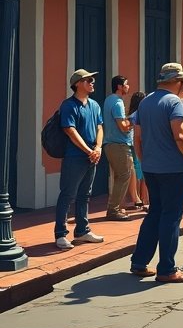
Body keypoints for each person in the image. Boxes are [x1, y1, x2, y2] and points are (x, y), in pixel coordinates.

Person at [129, 63, 183, 282]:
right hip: (174, 168)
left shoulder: (145, 103)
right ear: (176, 81)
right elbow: (181, 137)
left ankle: (139, 261)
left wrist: (145, 161)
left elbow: (139, 138)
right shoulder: (174, 102)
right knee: (171, 217)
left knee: (155, 213)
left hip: (152, 168)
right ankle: (167, 268)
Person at [54, 69, 105, 250]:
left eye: (93, 80)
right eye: (89, 80)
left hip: (92, 156)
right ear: (77, 84)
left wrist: (98, 148)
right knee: (68, 194)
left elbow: (100, 127)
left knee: (85, 195)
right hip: (75, 157)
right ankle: (60, 234)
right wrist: (87, 150)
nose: (92, 83)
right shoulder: (68, 105)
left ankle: (83, 231)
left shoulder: (95, 105)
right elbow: (70, 130)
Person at [102, 74, 134, 221]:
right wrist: (133, 120)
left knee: (118, 176)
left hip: (109, 144)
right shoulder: (118, 103)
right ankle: (113, 210)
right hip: (119, 145)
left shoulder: (108, 100)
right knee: (125, 175)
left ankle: (115, 208)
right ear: (120, 87)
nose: (128, 86)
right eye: (126, 84)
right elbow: (122, 126)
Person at [126, 90, 148, 210]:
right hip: (138, 143)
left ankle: (138, 198)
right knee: (141, 171)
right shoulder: (139, 114)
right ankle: (143, 199)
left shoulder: (130, 115)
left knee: (136, 171)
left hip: (130, 143)